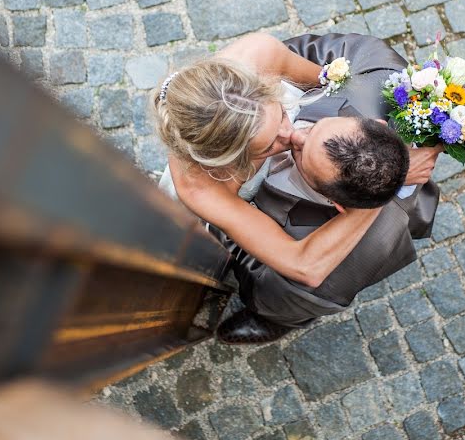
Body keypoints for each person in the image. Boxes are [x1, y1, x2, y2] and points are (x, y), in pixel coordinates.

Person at [153, 32, 441, 343]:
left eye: (280, 116)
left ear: (264, 88)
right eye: (268, 145)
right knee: (218, 252)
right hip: (229, 200)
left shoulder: (261, 54)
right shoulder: (200, 186)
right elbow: (303, 266)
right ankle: (268, 306)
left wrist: (373, 160)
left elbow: (326, 83)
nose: (292, 135)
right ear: (225, 157)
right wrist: (389, 184)